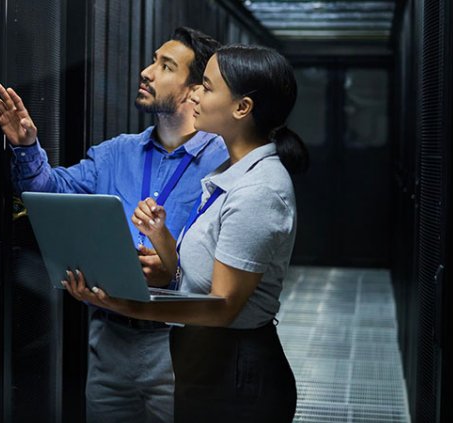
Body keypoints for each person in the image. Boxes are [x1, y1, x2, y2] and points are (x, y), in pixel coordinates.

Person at [0, 28, 225, 422]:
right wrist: (27, 146)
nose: (146, 71)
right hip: (109, 336)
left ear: (195, 90)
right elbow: (51, 190)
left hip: (180, 342)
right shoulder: (117, 153)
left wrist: (172, 269)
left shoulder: (222, 162)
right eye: (152, 60)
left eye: (165, 67)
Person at [62, 44, 309, 422]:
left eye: (207, 88)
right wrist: (160, 236)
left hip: (237, 374)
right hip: (209, 365)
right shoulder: (231, 172)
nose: (196, 94)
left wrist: (122, 304)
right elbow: (192, 279)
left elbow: (222, 307)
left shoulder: (258, 190)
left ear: (242, 108)